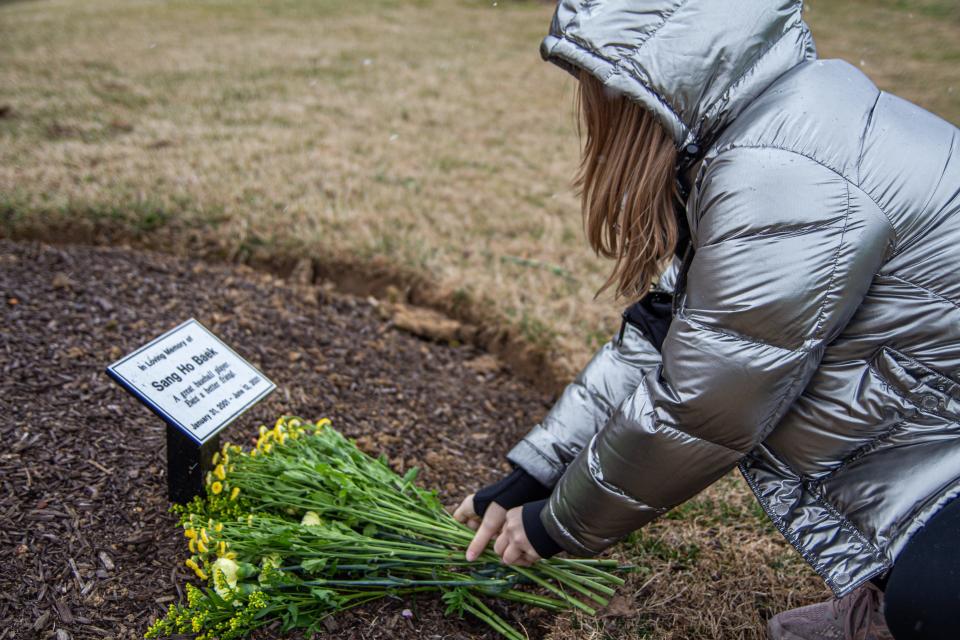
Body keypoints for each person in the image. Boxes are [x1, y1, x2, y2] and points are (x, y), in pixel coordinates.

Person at [451, 1, 960, 639]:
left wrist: (556, 527)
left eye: (597, 92)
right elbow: (662, 337)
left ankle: (902, 607)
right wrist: (534, 473)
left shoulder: (782, 177)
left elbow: (701, 404)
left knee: (935, 598)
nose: (591, 118)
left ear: (653, 85)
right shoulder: (770, 128)